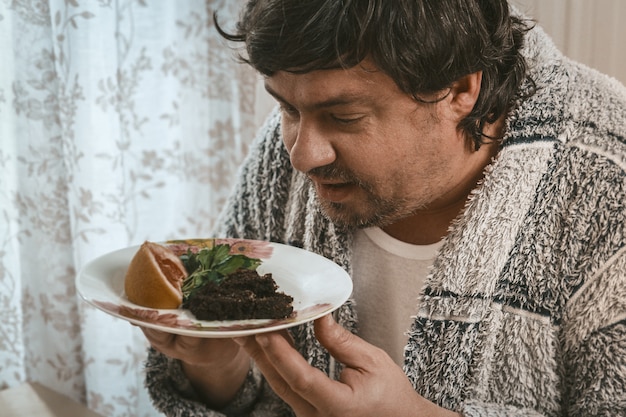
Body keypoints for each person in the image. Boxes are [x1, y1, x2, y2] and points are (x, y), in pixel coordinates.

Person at [141, 1, 626, 416]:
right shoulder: (295, 140)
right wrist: (219, 365)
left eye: (344, 117)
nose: (302, 155)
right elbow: (242, 389)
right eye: (287, 108)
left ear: (459, 89)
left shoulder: (607, 179)